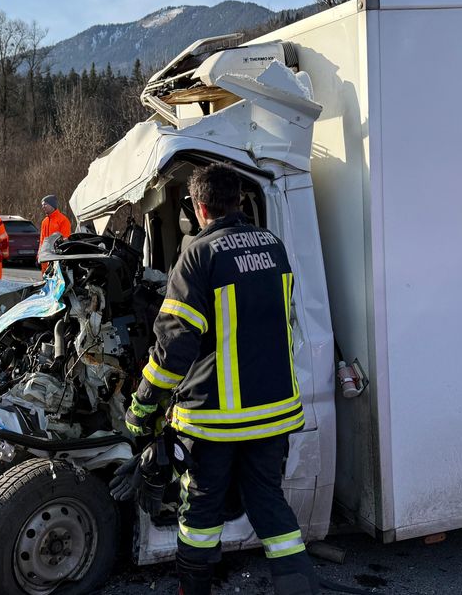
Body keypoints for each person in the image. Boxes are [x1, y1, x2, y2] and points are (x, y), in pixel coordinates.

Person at [122, 164, 322, 595]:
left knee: (201, 512)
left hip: (215, 420)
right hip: (274, 413)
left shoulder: (199, 254)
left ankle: (192, 590)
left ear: (198, 207)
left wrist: (143, 405)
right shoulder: (274, 246)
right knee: (269, 504)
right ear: (239, 201)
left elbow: (176, 344)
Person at [38, 194, 72, 271]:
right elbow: (42, 240)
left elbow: (65, 240)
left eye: (45, 204)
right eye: (42, 205)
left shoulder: (63, 220)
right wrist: (39, 255)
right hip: (45, 257)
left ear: (52, 205)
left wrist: (61, 257)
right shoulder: (44, 221)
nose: (43, 207)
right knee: (45, 279)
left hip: (56, 257)